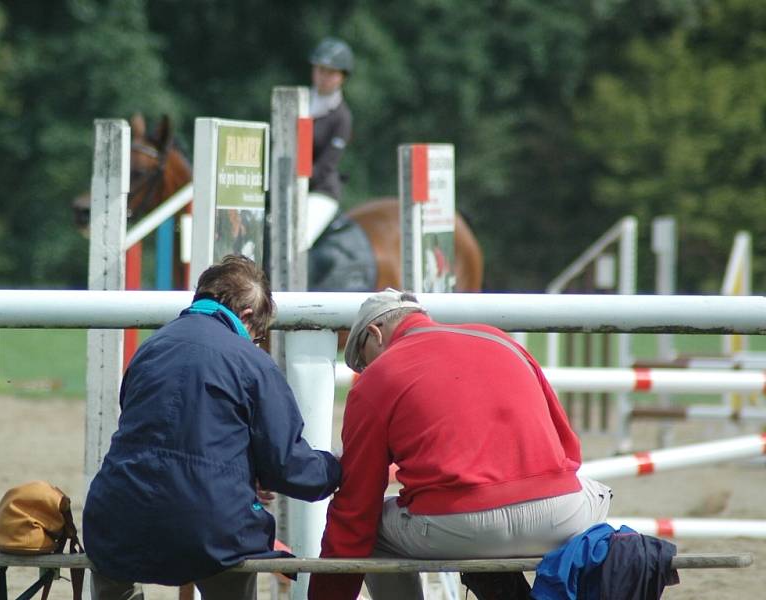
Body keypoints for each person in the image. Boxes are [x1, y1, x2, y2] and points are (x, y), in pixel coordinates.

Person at [308, 289, 613, 600]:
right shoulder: (500, 340)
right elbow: (568, 448)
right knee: (600, 493)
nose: (364, 370)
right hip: (558, 517)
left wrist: (327, 593)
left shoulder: (377, 378)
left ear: (374, 334)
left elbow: (357, 506)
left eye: (363, 359)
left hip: (456, 525)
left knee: (373, 532)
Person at [83, 254, 342, 600]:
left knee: (113, 568)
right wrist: (337, 468)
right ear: (247, 317)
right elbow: (290, 468)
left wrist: (243, 473)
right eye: (257, 335)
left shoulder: (149, 349)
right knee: (226, 551)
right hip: (210, 528)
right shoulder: (253, 363)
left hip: (114, 518)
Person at [304, 37, 354, 250]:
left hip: (320, 191)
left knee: (299, 239)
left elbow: (326, 165)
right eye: (320, 69)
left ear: (342, 77)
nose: (323, 76)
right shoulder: (295, 102)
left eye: (330, 72)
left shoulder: (342, 117)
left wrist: (297, 184)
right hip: (283, 186)